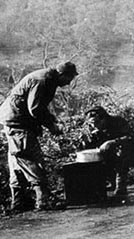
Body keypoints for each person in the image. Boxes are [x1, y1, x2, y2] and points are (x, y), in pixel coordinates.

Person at [0, 61, 78, 211]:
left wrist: (52, 120)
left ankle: (19, 203)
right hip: (17, 123)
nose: (69, 83)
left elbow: (38, 107)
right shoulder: (43, 80)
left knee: (18, 162)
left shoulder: (49, 79)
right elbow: (35, 108)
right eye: (69, 79)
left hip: (16, 121)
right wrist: (51, 126)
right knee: (29, 157)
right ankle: (43, 200)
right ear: (62, 74)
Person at [81, 106, 134, 199]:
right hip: (107, 153)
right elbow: (89, 148)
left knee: (122, 152)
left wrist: (113, 142)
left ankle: (121, 185)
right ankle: (109, 182)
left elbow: (131, 138)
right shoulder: (92, 128)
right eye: (92, 123)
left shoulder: (118, 122)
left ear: (104, 118)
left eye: (97, 122)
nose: (95, 126)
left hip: (127, 150)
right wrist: (85, 141)